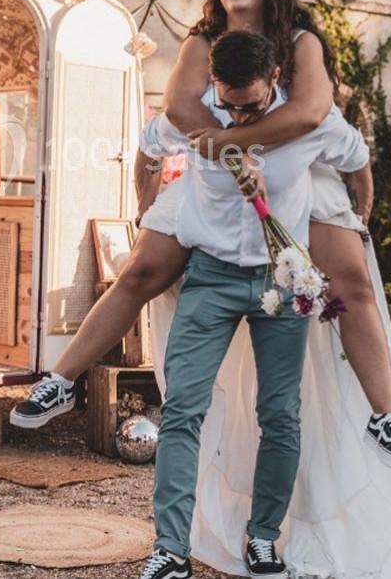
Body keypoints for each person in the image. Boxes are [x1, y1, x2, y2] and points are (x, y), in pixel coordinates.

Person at [11, 0, 391, 476]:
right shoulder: (203, 40)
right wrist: (156, 194)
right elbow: (178, 109)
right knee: (140, 272)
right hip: (212, 175)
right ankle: (60, 383)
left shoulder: (299, 42)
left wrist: (238, 145)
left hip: (296, 171)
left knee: (352, 282)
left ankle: (384, 414)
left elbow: (310, 113)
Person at [137, 31, 369, 579]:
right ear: (216, 87)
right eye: (229, 105)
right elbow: (149, 151)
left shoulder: (308, 121)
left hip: (284, 283)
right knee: (182, 411)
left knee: (281, 415)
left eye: (252, 106)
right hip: (211, 278)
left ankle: (262, 539)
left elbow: (358, 158)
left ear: (275, 83)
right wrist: (145, 211)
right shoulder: (196, 115)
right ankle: (169, 550)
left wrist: (361, 217)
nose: (238, 118)